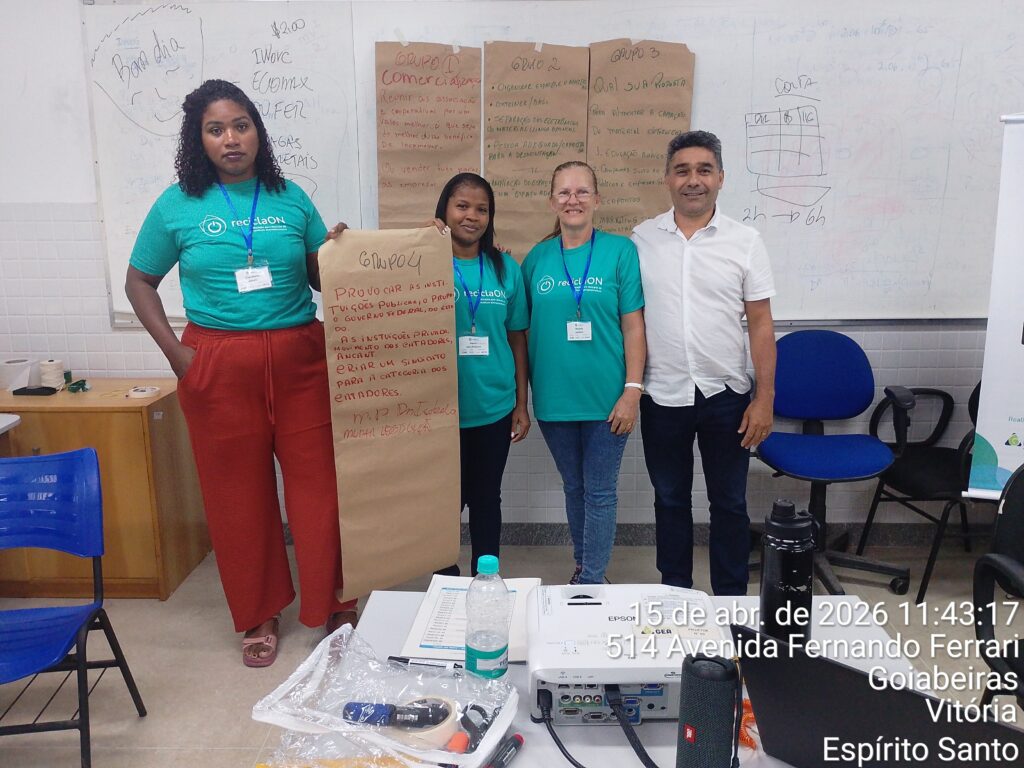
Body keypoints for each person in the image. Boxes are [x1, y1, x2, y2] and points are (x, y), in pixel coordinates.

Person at [125, 79, 357, 667]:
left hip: (301, 360)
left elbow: (320, 280)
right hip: (219, 366)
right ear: (198, 140)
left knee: (320, 490)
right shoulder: (177, 205)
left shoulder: (290, 199)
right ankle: (259, 613)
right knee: (238, 497)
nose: (231, 138)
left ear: (258, 132)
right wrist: (178, 356)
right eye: (216, 129)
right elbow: (139, 282)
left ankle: (334, 602)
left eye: (241, 125)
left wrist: (338, 253)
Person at [632, 130, 777, 596]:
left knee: (729, 503)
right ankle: (675, 592)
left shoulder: (745, 241)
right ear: (667, 179)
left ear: (720, 178)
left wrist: (764, 399)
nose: (693, 180)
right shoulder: (641, 239)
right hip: (662, 394)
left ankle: (731, 600)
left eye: (703, 170)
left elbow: (761, 324)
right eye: (682, 170)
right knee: (670, 499)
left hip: (727, 398)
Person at [521, 161, 646, 585]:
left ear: (597, 199)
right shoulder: (536, 259)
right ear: (551, 201)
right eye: (564, 192)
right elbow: (519, 326)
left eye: (581, 191)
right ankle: (583, 564)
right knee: (574, 487)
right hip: (554, 399)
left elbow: (633, 325)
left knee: (600, 490)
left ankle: (592, 579)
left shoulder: (620, 252)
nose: (572, 200)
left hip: (608, 400)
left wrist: (632, 391)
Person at [430, 173, 530, 575]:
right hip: (440, 410)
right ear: (445, 210)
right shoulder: (424, 263)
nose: (471, 216)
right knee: (444, 503)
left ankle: (485, 578)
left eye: (482, 209)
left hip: (493, 406)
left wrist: (521, 404)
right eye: (462, 206)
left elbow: (517, 337)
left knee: (487, 498)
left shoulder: (505, 268)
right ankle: (445, 579)